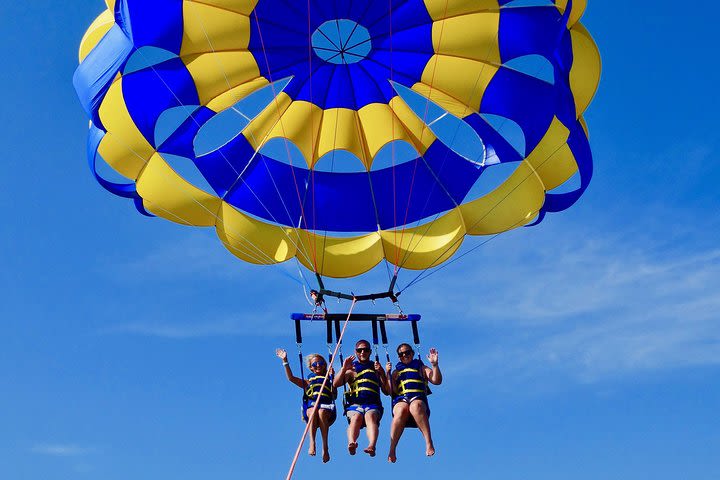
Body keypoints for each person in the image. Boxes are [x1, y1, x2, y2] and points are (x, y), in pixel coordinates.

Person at [276, 348, 336, 463]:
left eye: (321, 363)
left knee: (321, 412)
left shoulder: (329, 380)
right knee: (314, 410)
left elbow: (335, 395)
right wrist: (285, 361)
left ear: (325, 365)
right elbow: (291, 378)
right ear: (311, 368)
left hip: (326, 409)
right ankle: (312, 442)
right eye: (315, 364)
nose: (318, 365)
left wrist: (332, 381)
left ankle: (325, 447)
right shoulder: (308, 382)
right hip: (311, 409)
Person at [333, 340, 390, 457]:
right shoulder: (351, 369)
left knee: (370, 417)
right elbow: (335, 383)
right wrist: (344, 368)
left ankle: (372, 446)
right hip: (355, 405)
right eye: (359, 350)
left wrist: (383, 373)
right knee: (356, 417)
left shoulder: (375, 368)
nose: (362, 352)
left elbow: (387, 391)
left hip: (373, 404)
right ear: (356, 352)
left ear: (370, 352)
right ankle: (351, 443)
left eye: (365, 350)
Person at [386, 344, 442, 463]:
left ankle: (428, 442)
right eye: (401, 354)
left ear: (412, 353)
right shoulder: (396, 372)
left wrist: (435, 365)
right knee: (401, 409)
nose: (404, 355)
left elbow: (437, 380)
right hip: (402, 400)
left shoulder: (421, 367)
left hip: (417, 399)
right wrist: (388, 375)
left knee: (415, 406)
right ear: (399, 357)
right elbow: (392, 392)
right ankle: (392, 448)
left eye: (407, 352)